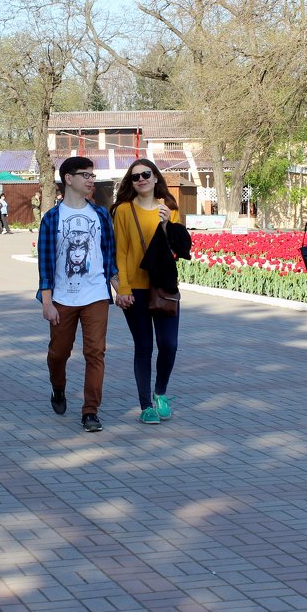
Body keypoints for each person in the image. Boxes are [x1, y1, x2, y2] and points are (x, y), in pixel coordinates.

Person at [37, 156, 119, 432]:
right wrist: (46, 302)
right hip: (62, 298)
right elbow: (45, 263)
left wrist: (120, 289)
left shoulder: (101, 215)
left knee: (95, 352)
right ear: (68, 179)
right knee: (58, 354)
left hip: (96, 295)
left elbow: (109, 257)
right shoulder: (52, 218)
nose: (90, 180)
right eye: (85, 175)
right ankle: (58, 388)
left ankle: (90, 411)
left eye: (92, 176)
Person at [112, 159, 191, 424]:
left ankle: (161, 392)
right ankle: (145, 405)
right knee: (144, 346)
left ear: (156, 178)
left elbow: (181, 250)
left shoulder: (169, 208)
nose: (141, 179)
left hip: (163, 285)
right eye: (135, 177)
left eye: (146, 174)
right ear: (130, 182)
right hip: (135, 287)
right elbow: (120, 252)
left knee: (170, 344)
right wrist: (122, 288)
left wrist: (169, 223)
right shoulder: (123, 210)